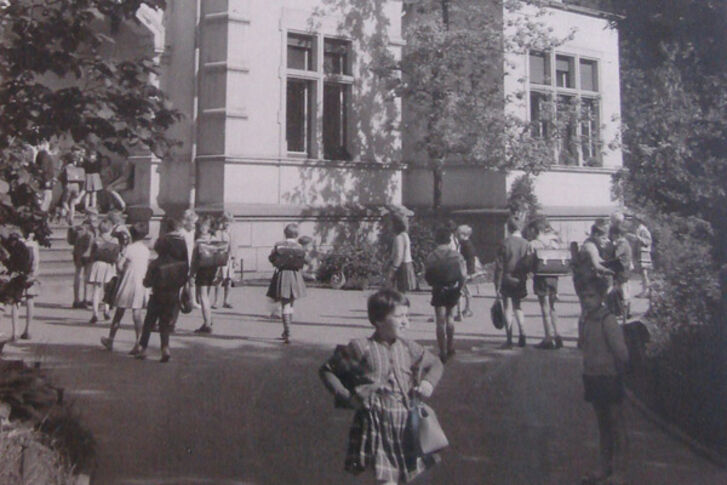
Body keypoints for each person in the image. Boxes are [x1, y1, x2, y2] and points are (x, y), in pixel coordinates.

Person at [319, 289, 444, 484]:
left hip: (406, 423)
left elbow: (436, 364)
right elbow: (328, 370)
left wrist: (428, 383)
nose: (405, 321)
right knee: (386, 479)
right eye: (398, 316)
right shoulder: (361, 347)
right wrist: (346, 396)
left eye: (407, 316)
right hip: (376, 422)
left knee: (407, 476)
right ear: (378, 321)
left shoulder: (408, 347)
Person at [579, 276, 629, 485]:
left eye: (591, 296)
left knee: (616, 424)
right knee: (602, 425)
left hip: (609, 377)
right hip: (593, 376)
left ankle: (620, 471)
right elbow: (583, 345)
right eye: (583, 296)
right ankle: (604, 466)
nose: (586, 300)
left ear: (601, 297)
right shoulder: (586, 319)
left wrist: (621, 373)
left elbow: (621, 352)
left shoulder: (608, 321)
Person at [136, 218, 189, 362]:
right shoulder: (181, 251)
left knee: (149, 321)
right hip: (173, 291)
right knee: (165, 322)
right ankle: (165, 348)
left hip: (158, 291)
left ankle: (142, 347)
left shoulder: (157, 261)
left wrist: (147, 282)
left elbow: (148, 281)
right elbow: (185, 270)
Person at [101, 223, 150, 354]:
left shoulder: (129, 249)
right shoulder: (146, 250)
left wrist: (121, 268)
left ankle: (111, 339)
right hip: (140, 282)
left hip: (128, 281)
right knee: (137, 313)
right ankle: (139, 342)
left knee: (119, 312)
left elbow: (120, 265)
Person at [425, 226, 466, 363]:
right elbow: (463, 274)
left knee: (439, 320)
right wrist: (460, 286)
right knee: (450, 317)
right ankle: (450, 347)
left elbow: (427, 276)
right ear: (449, 240)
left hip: (438, 289)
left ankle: (441, 350)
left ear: (436, 240)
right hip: (452, 288)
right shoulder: (456, 255)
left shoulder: (432, 256)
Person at [573, 220, 615, 341]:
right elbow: (597, 265)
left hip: (583, 280)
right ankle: (583, 339)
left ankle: (584, 338)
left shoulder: (589, 244)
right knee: (587, 310)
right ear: (596, 234)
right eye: (603, 237)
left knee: (587, 309)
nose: (604, 240)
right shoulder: (590, 246)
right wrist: (611, 271)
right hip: (586, 282)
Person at [266, 223, 307, 344]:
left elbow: (271, 258)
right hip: (295, 276)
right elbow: (304, 260)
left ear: (285, 233)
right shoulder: (299, 246)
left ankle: (287, 331)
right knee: (291, 304)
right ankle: (287, 330)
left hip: (282, 275)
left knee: (285, 305)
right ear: (296, 234)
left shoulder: (278, 245)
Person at [494, 217, 531, 348]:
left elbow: (499, 266)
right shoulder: (526, 243)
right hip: (520, 278)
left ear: (508, 228)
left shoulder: (504, 243)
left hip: (506, 278)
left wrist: (496, 284)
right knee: (518, 306)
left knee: (507, 308)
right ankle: (523, 334)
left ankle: (509, 339)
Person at [529, 218, 564, 350]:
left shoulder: (533, 243)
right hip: (554, 277)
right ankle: (558, 335)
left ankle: (548, 337)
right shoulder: (554, 242)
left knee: (544, 306)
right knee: (553, 306)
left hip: (541, 277)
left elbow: (529, 262)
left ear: (535, 230)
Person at [86, 218, 120, 324]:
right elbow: (117, 256)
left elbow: (91, 254)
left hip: (97, 264)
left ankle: (95, 313)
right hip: (109, 266)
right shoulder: (115, 240)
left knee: (96, 290)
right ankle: (106, 310)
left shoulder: (96, 239)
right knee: (108, 290)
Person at [9, 232, 40, 340]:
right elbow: (36, 262)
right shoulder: (33, 245)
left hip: (17, 275)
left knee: (15, 302)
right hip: (29, 275)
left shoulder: (16, 243)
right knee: (30, 300)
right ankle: (28, 330)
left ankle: (14, 332)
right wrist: (33, 275)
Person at [191, 216, 218, 334]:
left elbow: (193, 259)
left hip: (202, 269)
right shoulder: (214, 238)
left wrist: (191, 273)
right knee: (206, 295)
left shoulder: (198, 241)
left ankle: (207, 323)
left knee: (203, 297)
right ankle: (208, 319)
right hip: (212, 268)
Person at [69, 209, 98, 309]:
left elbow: (71, 241)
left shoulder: (78, 227)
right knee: (87, 276)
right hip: (88, 254)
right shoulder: (93, 229)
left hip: (78, 254)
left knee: (78, 275)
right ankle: (85, 298)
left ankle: (76, 299)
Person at [607, 224, 633, 324]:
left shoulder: (621, 244)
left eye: (612, 234)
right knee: (623, 292)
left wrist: (611, 247)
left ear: (616, 234)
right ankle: (624, 314)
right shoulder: (624, 242)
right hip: (623, 271)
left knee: (623, 293)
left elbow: (615, 255)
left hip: (622, 272)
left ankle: (624, 316)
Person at [212, 212, 236, 309]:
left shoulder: (233, 232)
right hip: (221, 257)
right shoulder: (219, 232)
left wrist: (235, 258)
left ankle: (226, 300)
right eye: (225, 221)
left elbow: (235, 245)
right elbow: (216, 244)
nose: (227, 224)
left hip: (230, 258)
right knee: (219, 279)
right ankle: (216, 301)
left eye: (229, 222)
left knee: (229, 280)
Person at [389, 214, 416, 293]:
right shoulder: (405, 235)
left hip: (401, 267)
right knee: (401, 292)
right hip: (406, 264)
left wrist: (393, 268)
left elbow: (399, 255)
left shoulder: (399, 237)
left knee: (398, 291)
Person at [454, 224, 475, 321]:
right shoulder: (468, 244)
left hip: (464, 270)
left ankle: (460, 313)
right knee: (466, 290)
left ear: (464, 234)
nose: (457, 236)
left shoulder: (464, 245)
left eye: (458, 234)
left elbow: (463, 259)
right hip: (468, 270)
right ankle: (468, 309)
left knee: (460, 290)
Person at [59, 147, 86, 224]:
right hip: (77, 186)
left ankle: (68, 212)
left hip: (68, 185)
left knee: (64, 202)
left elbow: (61, 178)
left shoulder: (66, 168)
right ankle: (71, 218)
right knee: (72, 203)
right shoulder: (77, 168)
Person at [634, 217, 652, 298]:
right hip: (640, 252)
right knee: (642, 273)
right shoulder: (638, 229)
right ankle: (644, 290)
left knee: (644, 273)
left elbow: (648, 241)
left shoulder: (643, 229)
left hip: (644, 252)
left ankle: (647, 290)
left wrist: (639, 238)